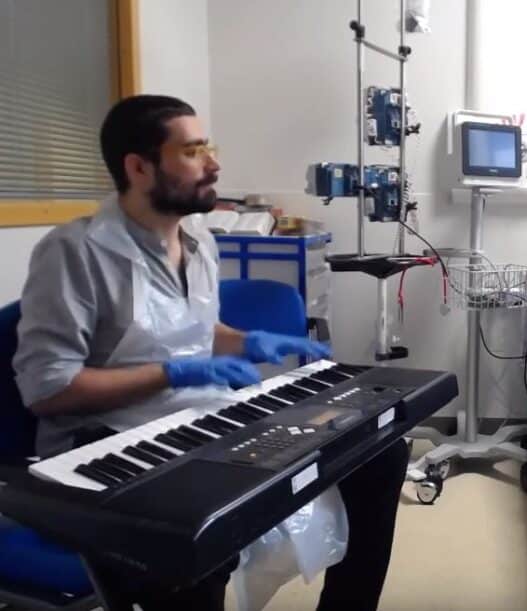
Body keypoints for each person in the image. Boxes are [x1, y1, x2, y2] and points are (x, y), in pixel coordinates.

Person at [13, 95, 409, 610]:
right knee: (199, 539)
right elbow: (49, 389)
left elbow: (197, 327)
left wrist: (247, 342)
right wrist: (174, 372)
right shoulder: (74, 253)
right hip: (108, 441)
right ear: (139, 166)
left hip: (198, 415)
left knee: (379, 455)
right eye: (195, 151)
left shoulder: (199, 241)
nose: (215, 164)